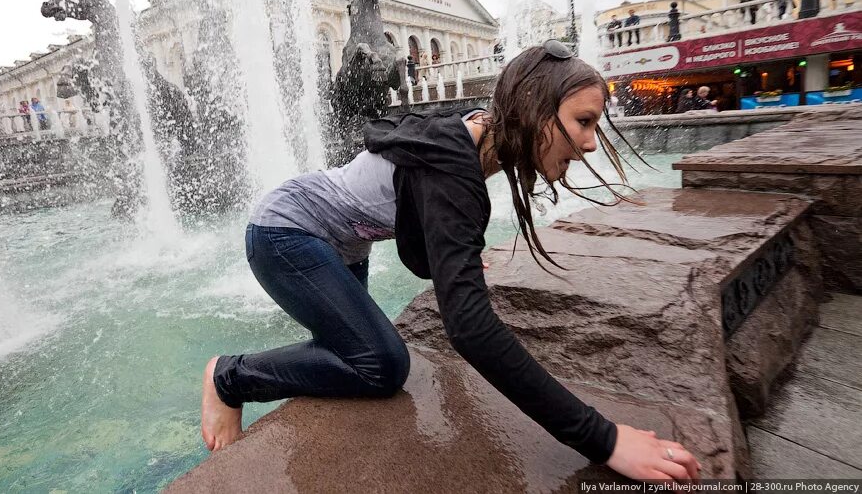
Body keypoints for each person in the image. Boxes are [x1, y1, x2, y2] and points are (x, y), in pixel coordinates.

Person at [201, 41, 701, 482]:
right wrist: (604, 439)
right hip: (285, 232)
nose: (592, 141)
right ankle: (229, 377)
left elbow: (418, 241)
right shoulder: (455, 162)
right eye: (583, 121)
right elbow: (470, 329)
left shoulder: (476, 139)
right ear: (532, 108)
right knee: (382, 365)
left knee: (349, 353)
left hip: (340, 243)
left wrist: (455, 258)